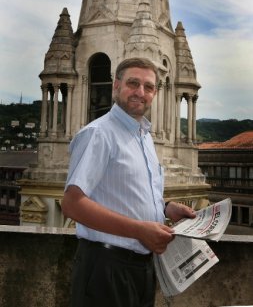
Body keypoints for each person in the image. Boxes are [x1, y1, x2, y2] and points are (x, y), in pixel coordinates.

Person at [62, 57, 196, 307]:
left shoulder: (143, 135)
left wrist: (166, 207)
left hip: (141, 268)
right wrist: (139, 230)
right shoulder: (99, 134)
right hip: (106, 268)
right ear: (116, 86)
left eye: (148, 87)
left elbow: (126, 190)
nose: (140, 92)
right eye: (133, 83)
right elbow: (72, 204)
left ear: (155, 92)